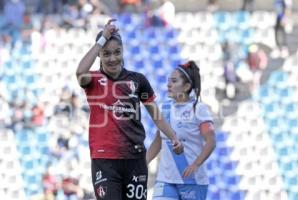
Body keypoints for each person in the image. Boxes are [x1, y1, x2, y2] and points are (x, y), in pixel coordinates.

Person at [76, 19, 183, 200]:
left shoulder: (138, 80)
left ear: (123, 51)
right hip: (105, 160)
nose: (112, 58)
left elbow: (155, 115)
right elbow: (79, 73)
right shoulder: (93, 80)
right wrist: (101, 39)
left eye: (117, 52)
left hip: (135, 159)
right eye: (106, 54)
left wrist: (173, 137)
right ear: (99, 56)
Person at [146, 61, 216, 200]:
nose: (168, 85)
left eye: (174, 81)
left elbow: (211, 141)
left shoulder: (198, 109)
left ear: (187, 86)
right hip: (165, 180)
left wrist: (196, 164)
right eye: (168, 81)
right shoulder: (164, 108)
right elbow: (158, 141)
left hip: (192, 181)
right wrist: (143, 162)